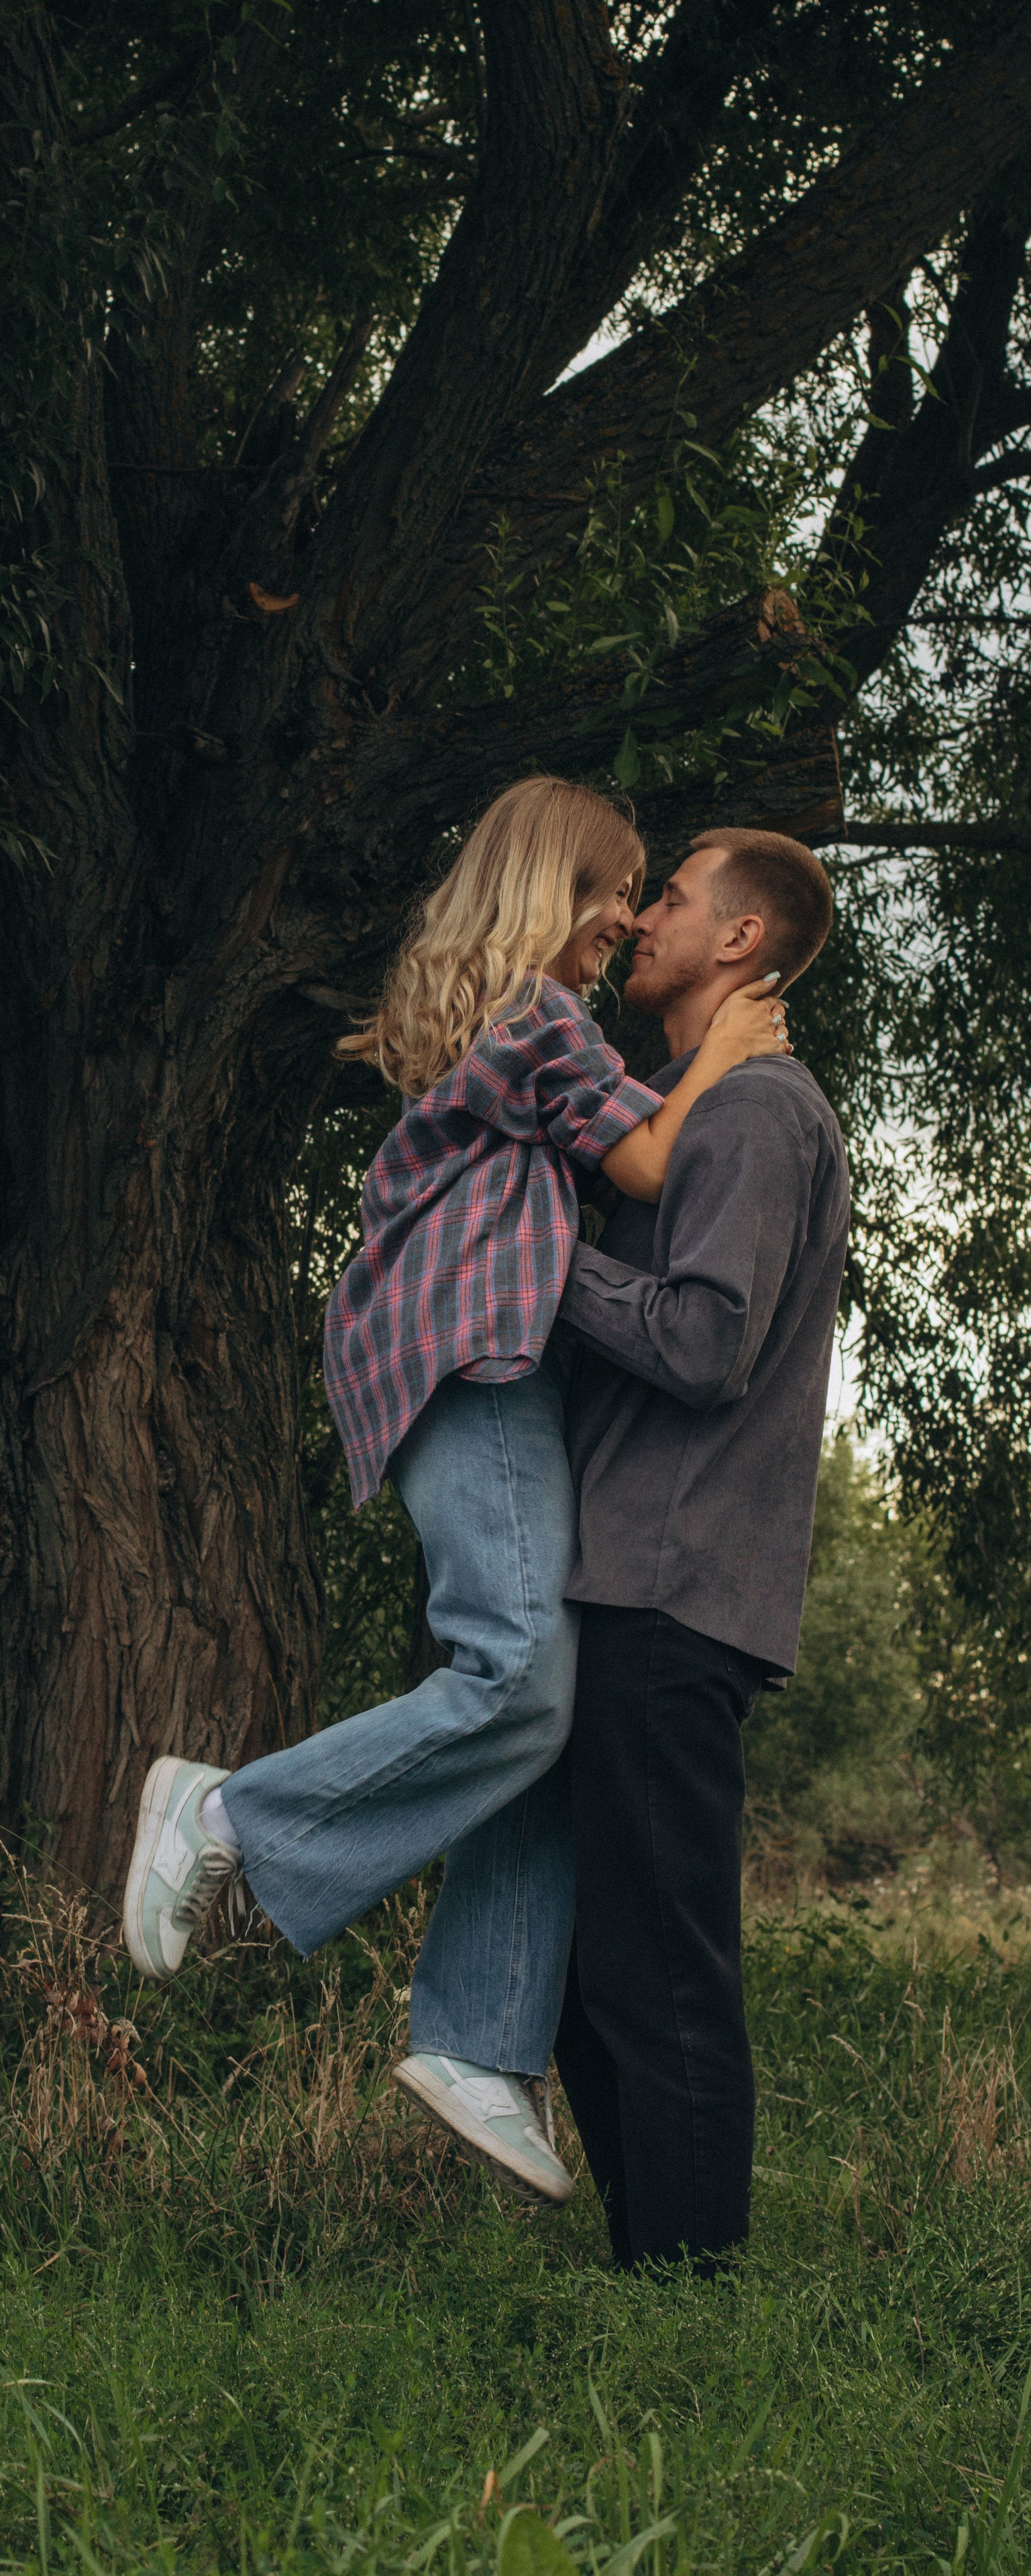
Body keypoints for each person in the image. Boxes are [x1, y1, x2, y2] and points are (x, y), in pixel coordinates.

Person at [120, 775, 790, 2204]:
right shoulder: (541, 1022)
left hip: (498, 1388)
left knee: (532, 1720)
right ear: (551, 887)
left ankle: (478, 2042)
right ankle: (229, 1817)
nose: (625, 914)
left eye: (647, 893)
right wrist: (725, 1046)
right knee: (515, 1680)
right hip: (476, 1381)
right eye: (616, 888)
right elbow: (658, 1156)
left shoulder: (526, 1024)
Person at [551, 827, 849, 2274]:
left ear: (738, 940)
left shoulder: (752, 1117)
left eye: (667, 895)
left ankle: (685, 2296)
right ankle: (652, 2270)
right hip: (619, 1582)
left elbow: (701, 1339)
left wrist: (531, 1263)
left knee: (656, 1963)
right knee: (573, 1967)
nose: (642, 914)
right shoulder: (688, 1104)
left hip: (666, 1591)